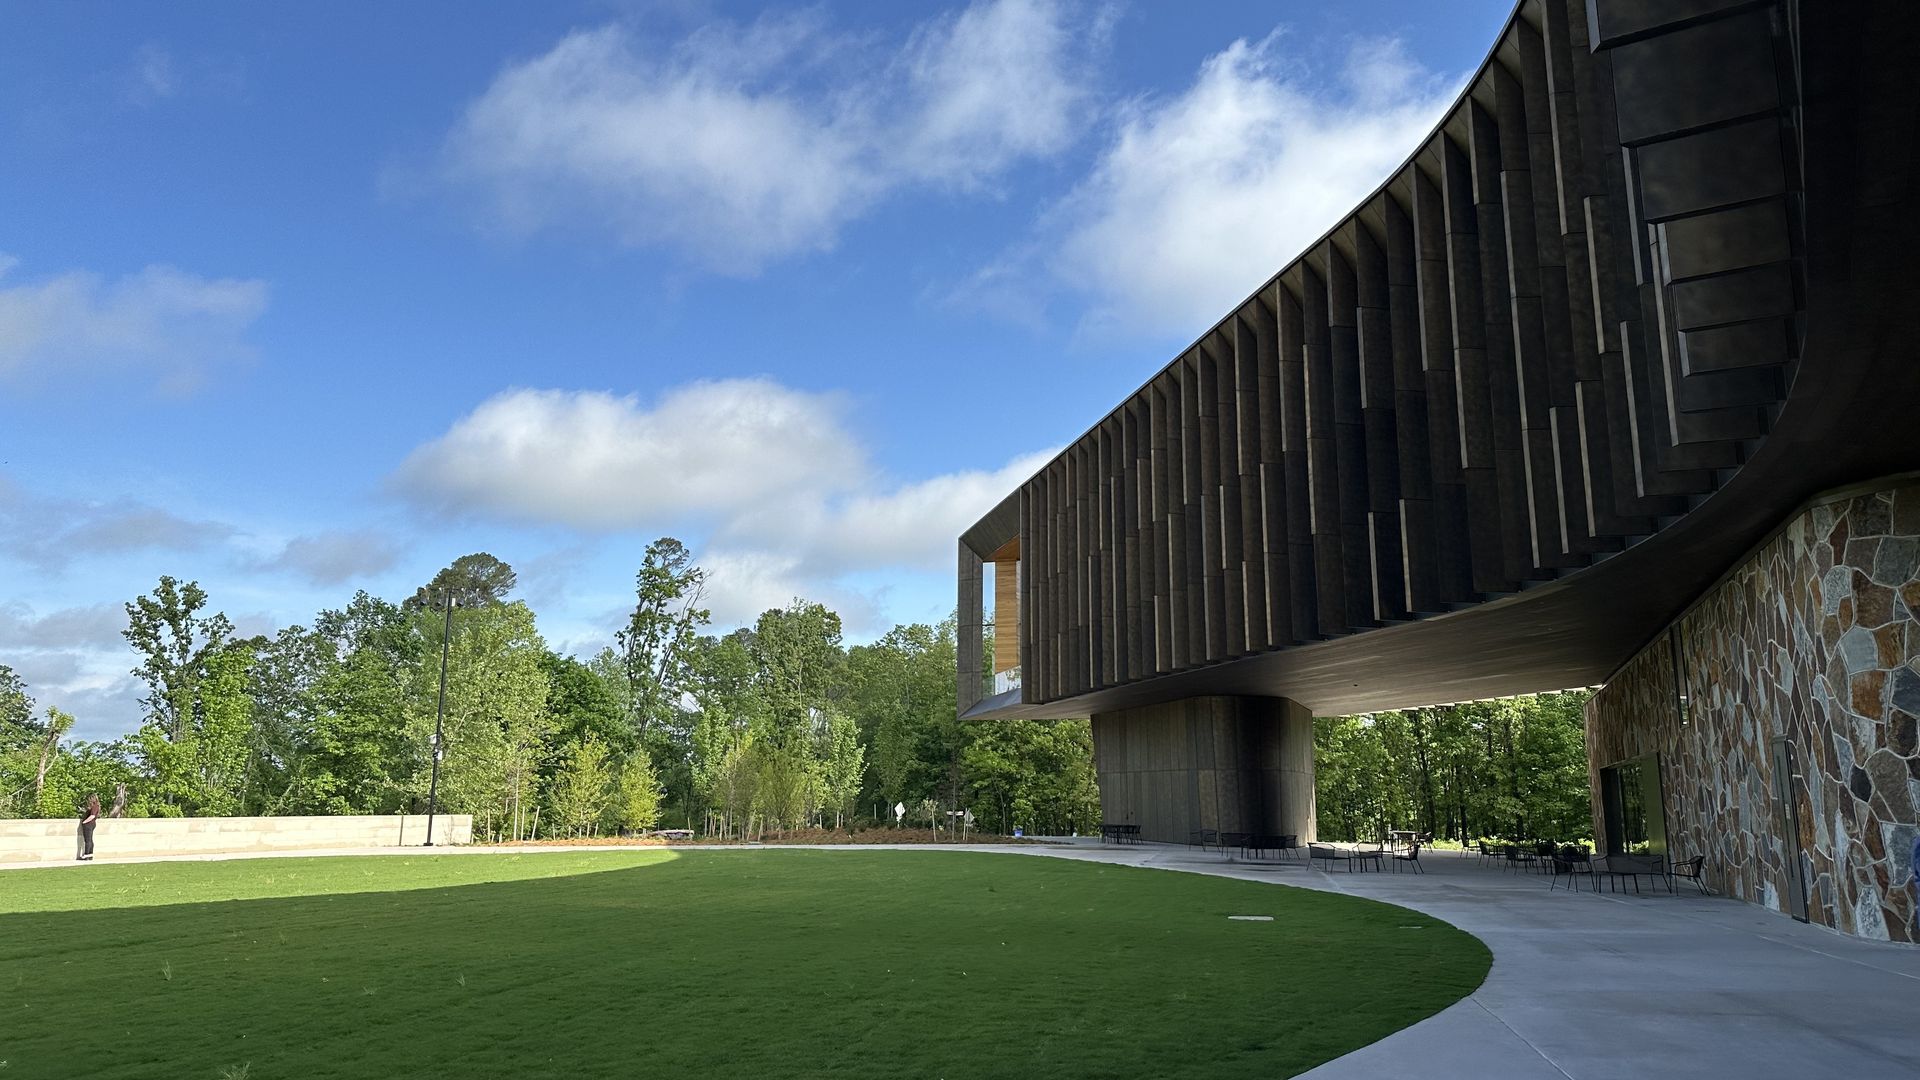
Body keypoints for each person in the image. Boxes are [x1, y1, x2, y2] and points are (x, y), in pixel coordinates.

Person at [77, 793, 100, 861]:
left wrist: (84, 822)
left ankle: (87, 855)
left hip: (89, 824)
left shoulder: (95, 806)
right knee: (90, 840)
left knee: (87, 840)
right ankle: (90, 855)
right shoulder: (96, 806)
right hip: (91, 824)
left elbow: (92, 816)